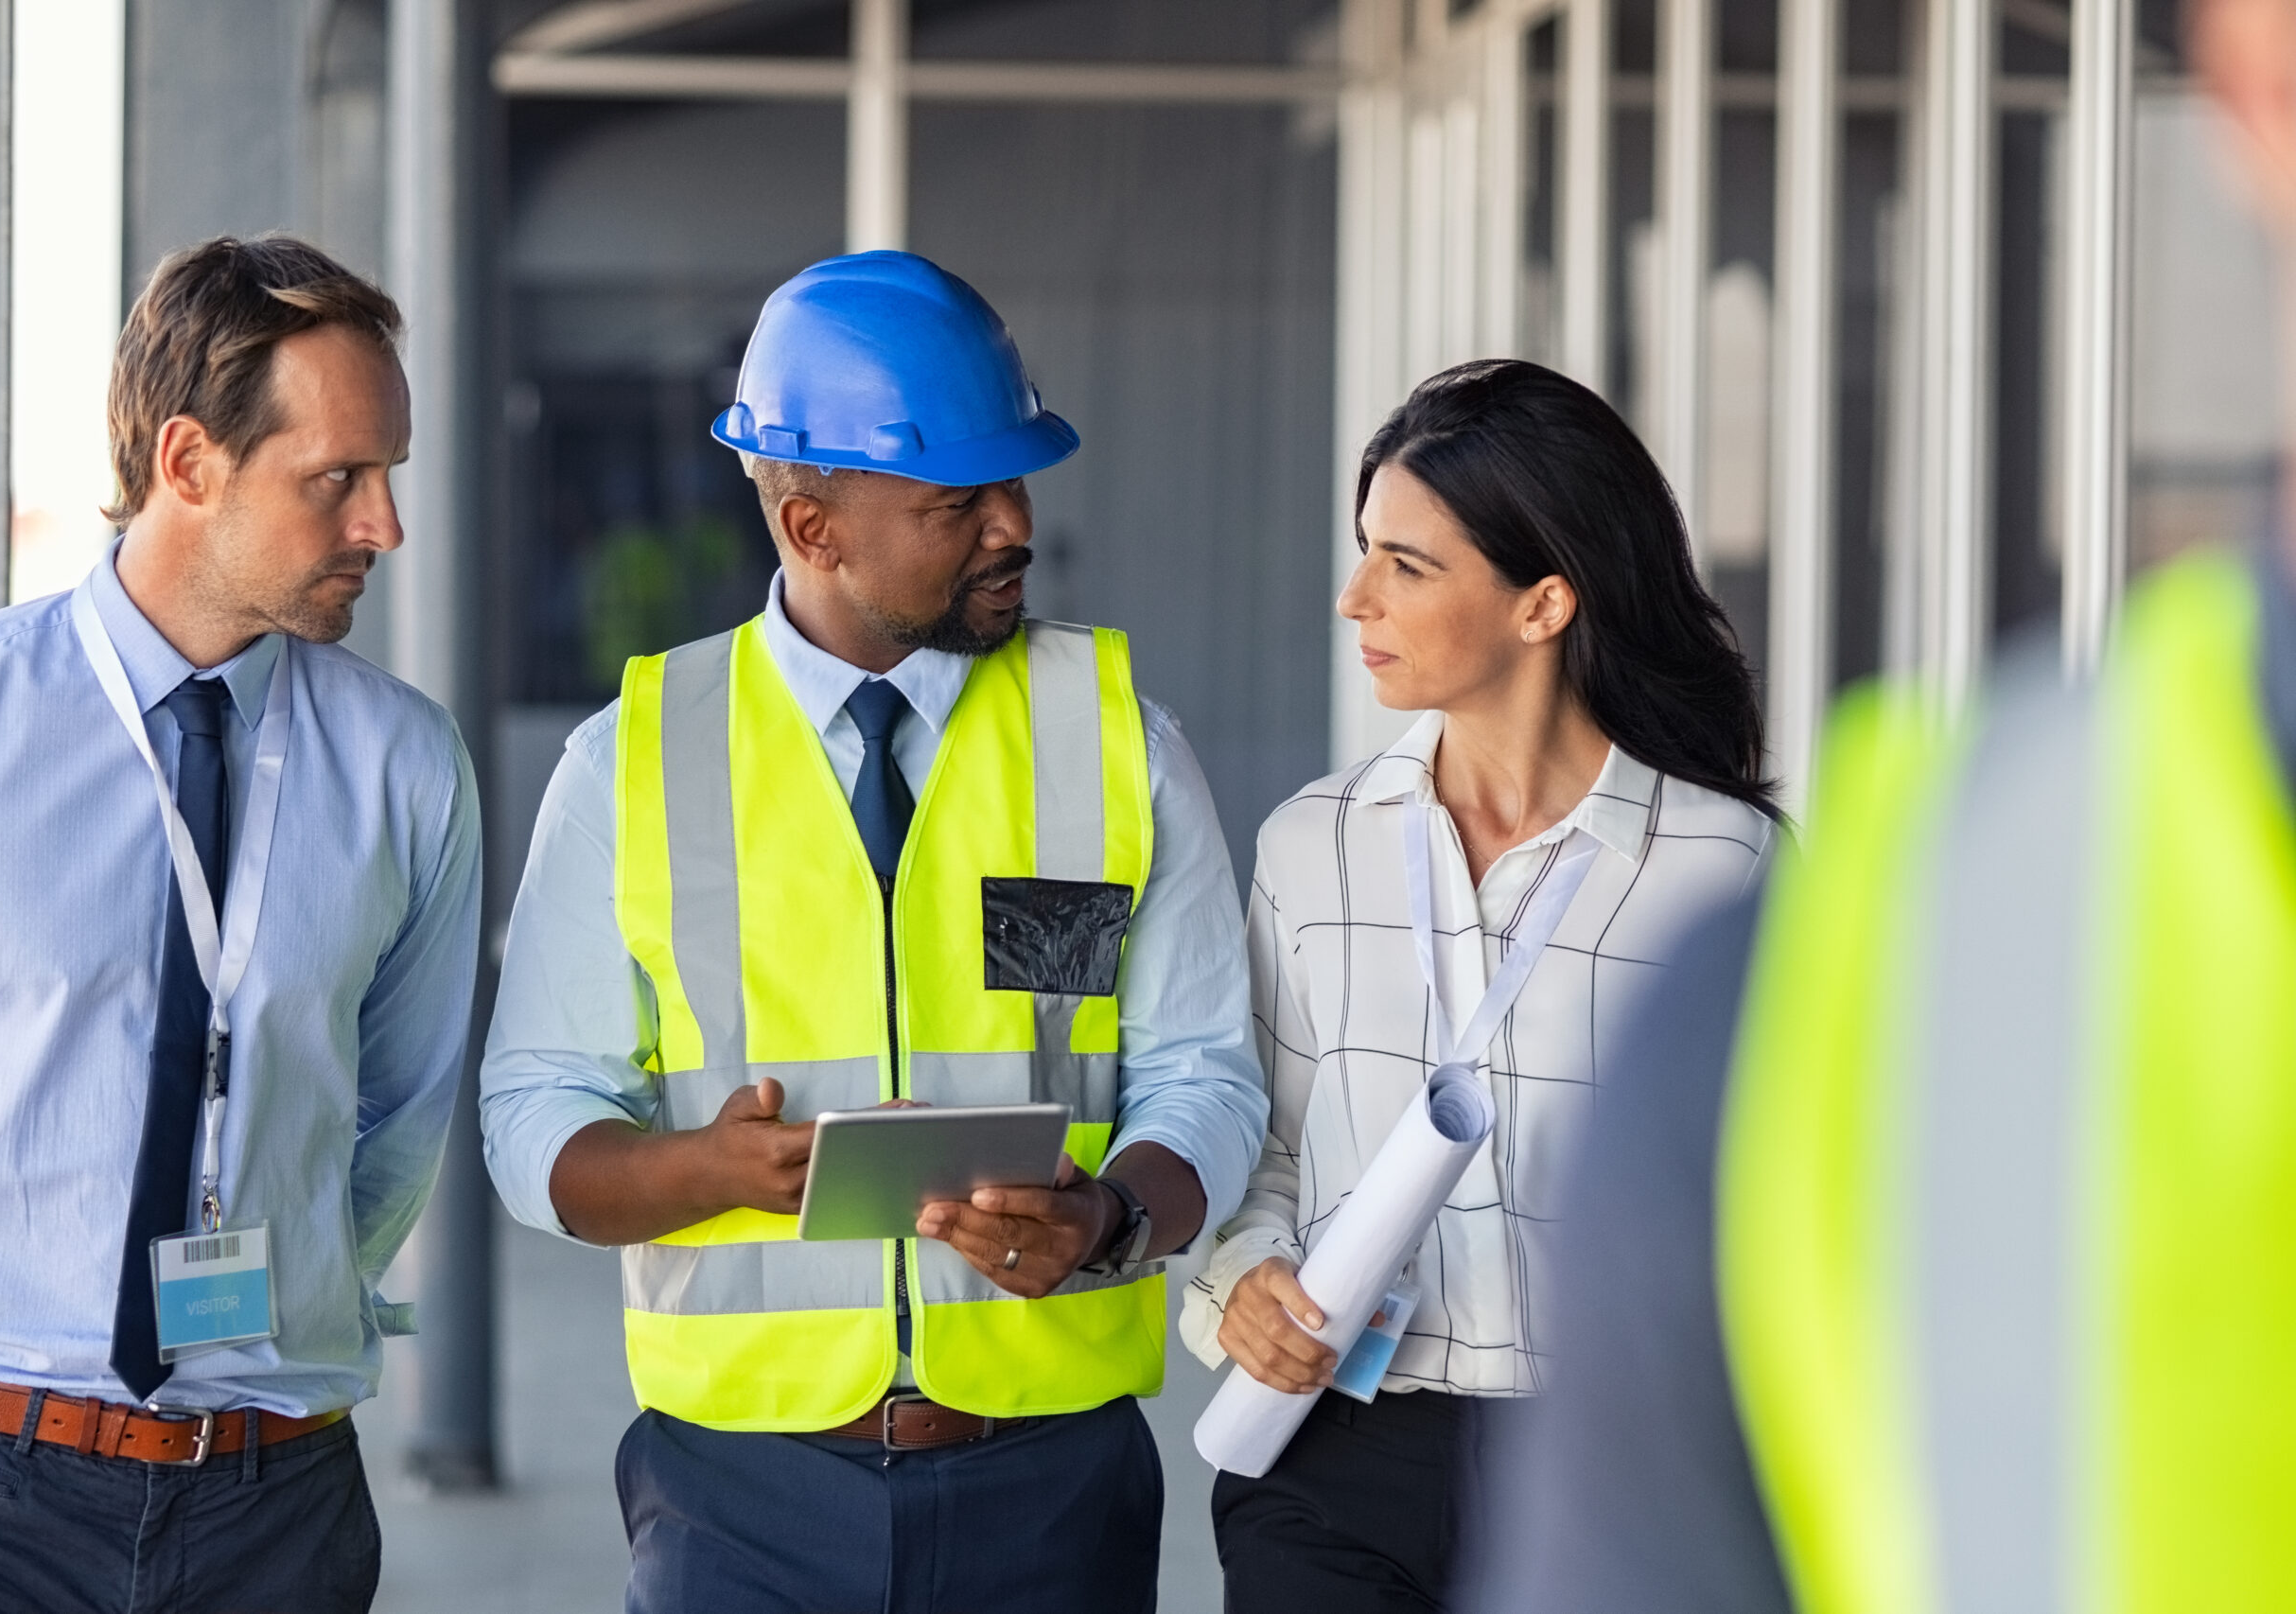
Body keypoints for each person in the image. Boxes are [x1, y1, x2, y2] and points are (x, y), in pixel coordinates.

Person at [1478, 2, 2296, 1609]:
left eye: (1408, 559)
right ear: (2258, 63)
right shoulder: (1832, 1025)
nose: (1361, 599)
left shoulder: (1767, 917)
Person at [478, 250, 1265, 1614]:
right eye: (958, 501)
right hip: (736, 1503)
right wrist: (702, 1169)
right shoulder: (634, 764)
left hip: (1053, 1485)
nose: (1014, 524)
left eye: (1017, 482)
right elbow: (529, 1114)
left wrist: (1117, 1217)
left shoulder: (1122, 741)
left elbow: (1208, 1071)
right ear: (811, 526)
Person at [0, 236, 482, 1612]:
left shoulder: (408, 764)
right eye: (340, 478)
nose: (386, 523)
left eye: (389, 474)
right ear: (191, 460)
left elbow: (398, 1120)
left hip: (278, 1507)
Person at [1181, 358, 1779, 1613]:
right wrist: (1243, 1284)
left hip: (1605, 1456)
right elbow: (1262, 1153)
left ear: (1543, 601)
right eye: (1365, 551)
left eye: (1408, 563)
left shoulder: (1726, 865)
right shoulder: (1314, 842)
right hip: (1336, 1452)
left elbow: (1772, 1203)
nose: (1355, 598)